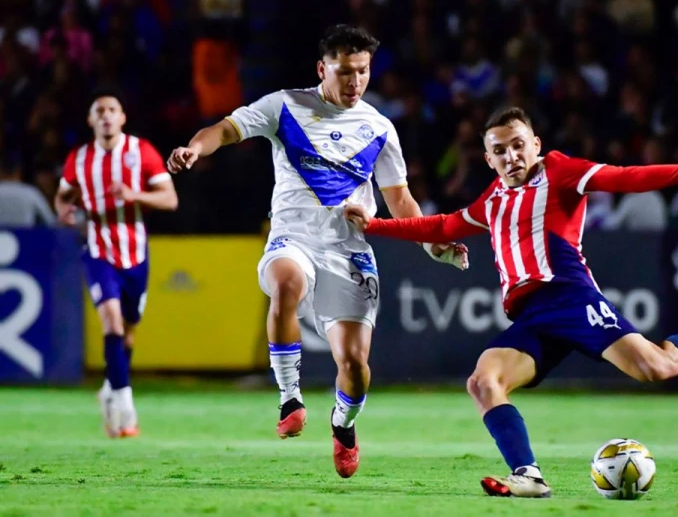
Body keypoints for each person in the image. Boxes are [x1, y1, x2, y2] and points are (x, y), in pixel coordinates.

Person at [344, 106, 678, 498]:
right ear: (488, 159)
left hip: (571, 299)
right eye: (499, 151)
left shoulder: (561, 172)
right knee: (483, 381)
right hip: (532, 317)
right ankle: (528, 474)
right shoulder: (492, 200)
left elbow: (626, 178)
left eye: (517, 145)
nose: (511, 156)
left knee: (657, 367)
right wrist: (375, 225)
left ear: (535, 145)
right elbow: (442, 225)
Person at [166, 24, 466, 478]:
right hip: (293, 234)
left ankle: (343, 426)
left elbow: (400, 201)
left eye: (363, 72)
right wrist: (194, 148)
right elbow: (226, 129)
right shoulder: (285, 105)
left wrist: (432, 244)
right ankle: (290, 397)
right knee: (286, 283)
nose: (355, 82)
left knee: (355, 365)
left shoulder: (379, 127)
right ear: (322, 68)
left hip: (348, 249)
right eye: (345, 71)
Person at [55, 89, 179, 438]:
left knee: (127, 332)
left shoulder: (141, 152)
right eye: (100, 111)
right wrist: (63, 210)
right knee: (111, 320)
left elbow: (170, 199)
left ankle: (111, 387)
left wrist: (135, 195)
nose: (107, 115)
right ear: (91, 120)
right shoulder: (79, 159)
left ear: (122, 117)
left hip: (135, 254)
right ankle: (125, 408)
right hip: (97, 250)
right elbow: (63, 196)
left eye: (112, 109)